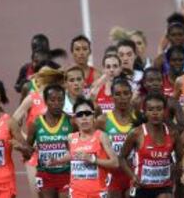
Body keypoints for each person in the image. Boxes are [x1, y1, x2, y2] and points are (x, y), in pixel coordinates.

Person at [46, 97, 119, 197]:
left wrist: (93, 159)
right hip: (76, 193)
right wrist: (57, 161)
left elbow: (115, 163)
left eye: (88, 114)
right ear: (75, 119)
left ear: (93, 116)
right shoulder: (71, 138)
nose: (84, 117)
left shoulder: (101, 136)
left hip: (97, 193)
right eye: (80, 115)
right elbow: (72, 154)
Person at [13, 66, 64, 198]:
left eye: (41, 78)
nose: (37, 81)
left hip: (59, 153)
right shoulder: (32, 98)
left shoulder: (61, 99)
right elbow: (12, 122)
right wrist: (26, 141)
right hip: (35, 156)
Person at [120, 93, 181, 198]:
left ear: (165, 111)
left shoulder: (173, 133)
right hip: (141, 187)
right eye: (151, 109)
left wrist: (176, 175)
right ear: (145, 112)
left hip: (164, 187)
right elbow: (121, 158)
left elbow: (181, 157)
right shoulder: (136, 133)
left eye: (159, 109)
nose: (155, 113)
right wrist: (132, 176)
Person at [26, 84, 73, 198]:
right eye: (52, 100)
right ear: (46, 101)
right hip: (45, 174)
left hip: (66, 173)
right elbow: (28, 150)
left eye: (60, 100)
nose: (57, 104)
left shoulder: (71, 122)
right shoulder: (36, 124)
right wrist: (23, 148)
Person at [95, 77, 135, 198]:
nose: (122, 97)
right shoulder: (102, 120)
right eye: (117, 94)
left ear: (131, 95)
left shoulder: (140, 118)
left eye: (126, 93)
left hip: (132, 173)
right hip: (112, 175)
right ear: (111, 97)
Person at [133, 67, 184, 134]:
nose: (155, 83)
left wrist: (164, 120)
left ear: (162, 82)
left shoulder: (171, 102)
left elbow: (182, 127)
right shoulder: (138, 102)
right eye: (151, 81)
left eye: (159, 80)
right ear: (144, 83)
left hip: (166, 140)